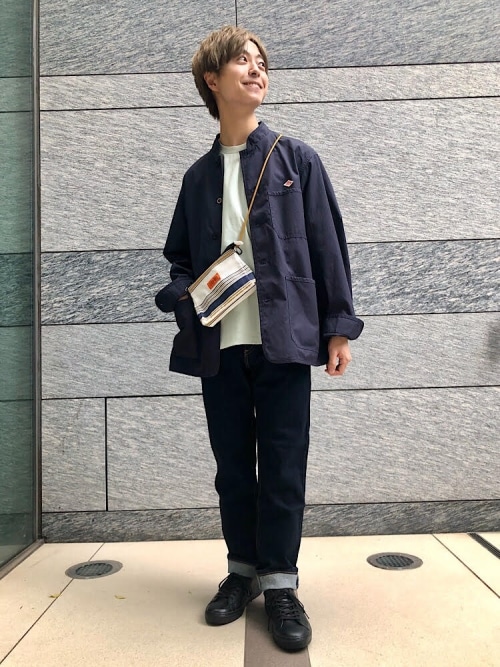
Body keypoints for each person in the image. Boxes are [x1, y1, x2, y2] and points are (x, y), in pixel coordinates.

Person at [155, 25, 364, 652]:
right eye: (241, 61)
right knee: (232, 470)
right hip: (219, 346)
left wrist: (338, 328)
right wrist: (182, 296)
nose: (256, 69)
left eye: (261, 61)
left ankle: (280, 585)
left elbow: (328, 246)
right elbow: (178, 260)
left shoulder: (296, 161)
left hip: (285, 341)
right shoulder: (197, 178)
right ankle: (241, 572)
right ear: (212, 80)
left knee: (282, 465)